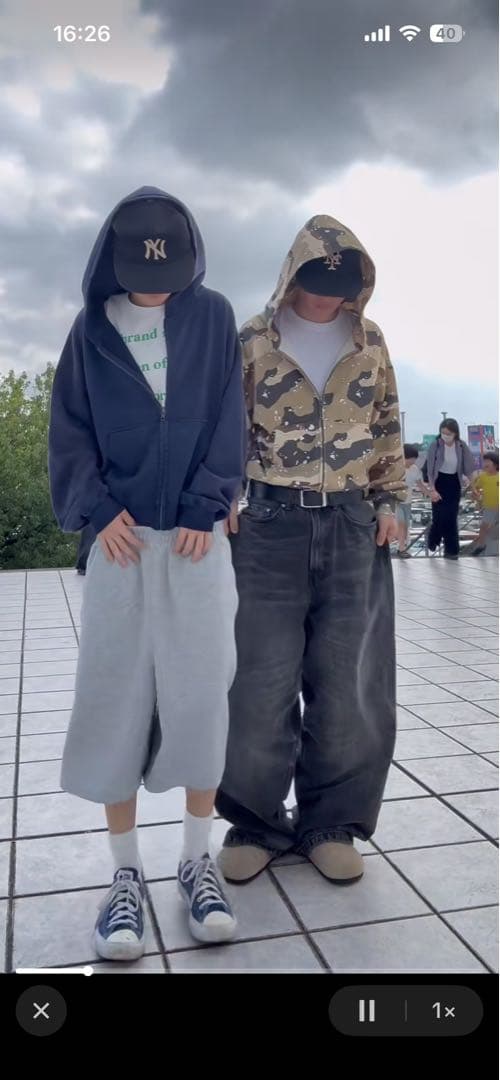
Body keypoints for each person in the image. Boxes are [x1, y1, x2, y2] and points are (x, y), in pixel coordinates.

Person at [49, 187, 246, 960]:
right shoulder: (91, 330)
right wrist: (97, 511)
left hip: (197, 541)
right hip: (122, 544)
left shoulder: (213, 318)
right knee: (115, 698)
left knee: (201, 698)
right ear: (115, 260)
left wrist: (205, 503)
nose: (159, 286)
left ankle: (196, 860)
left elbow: (229, 416)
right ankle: (124, 876)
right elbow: (69, 432)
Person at [216, 214, 404, 886]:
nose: (327, 301)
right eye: (316, 287)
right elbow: (226, 428)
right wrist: (221, 498)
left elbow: (386, 424)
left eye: (341, 290)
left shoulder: (370, 341)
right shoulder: (251, 339)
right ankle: (255, 822)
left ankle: (331, 823)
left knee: (349, 682)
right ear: (292, 277)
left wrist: (391, 503)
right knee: (258, 680)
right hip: (268, 523)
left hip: (353, 523)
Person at [426, 419, 476, 560]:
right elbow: (430, 470)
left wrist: (473, 487)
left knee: (451, 516)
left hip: (454, 482)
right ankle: (433, 538)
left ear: (455, 433)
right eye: (443, 433)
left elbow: (469, 468)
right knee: (439, 515)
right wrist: (432, 489)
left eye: (448, 433)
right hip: (439, 481)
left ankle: (452, 551)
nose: (445, 436)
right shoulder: (435, 445)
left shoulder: (461, 446)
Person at [396, 444, 426, 558]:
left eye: (414, 459)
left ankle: (403, 548)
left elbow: (420, 485)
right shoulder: (396, 468)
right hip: (396, 501)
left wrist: (430, 494)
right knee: (401, 524)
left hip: (407, 501)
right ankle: (401, 549)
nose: (413, 461)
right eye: (412, 459)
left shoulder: (414, 469)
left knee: (406, 526)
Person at [470, 451, 499, 555]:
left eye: (488, 461)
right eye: (484, 461)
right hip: (489, 507)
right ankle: (481, 545)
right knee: (483, 527)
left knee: (493, 529)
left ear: (495, 464)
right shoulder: (483, 477)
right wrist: (475, 494)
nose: (485, 463)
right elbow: (476, 488)